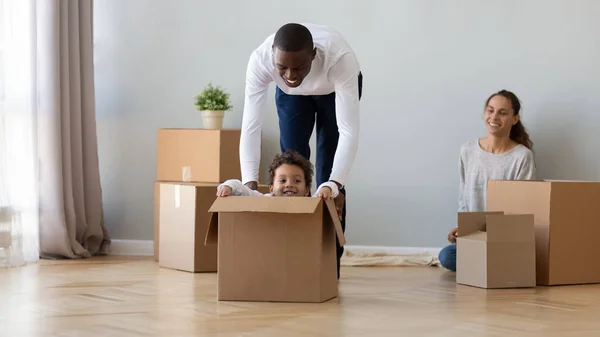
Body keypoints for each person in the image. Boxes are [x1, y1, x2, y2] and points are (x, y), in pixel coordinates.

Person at [239, 23, 363, 278]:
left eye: (298, 67)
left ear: (314, 56)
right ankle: (291, 262)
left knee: (328, 177)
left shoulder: (340, 59)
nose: (291, 74)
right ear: (272, 55)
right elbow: (251, 126)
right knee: (290, 173)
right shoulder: (261, 60)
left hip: (333, 91)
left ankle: (328, 270)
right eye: (282, 67)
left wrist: (336, 183)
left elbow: (348, 132)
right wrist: (248, 183)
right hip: (291, 96)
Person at [438, 90, 537, 272]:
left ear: (515, 119)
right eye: (490, 110)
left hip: (505, 236)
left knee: (516, 256)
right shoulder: (468, 150)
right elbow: (464, 194)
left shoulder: (522, 156)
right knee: (446, 256)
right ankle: (491, 265)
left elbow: (524, 205)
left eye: (503, 112)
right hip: (475, 236)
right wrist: (462, 228)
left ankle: (488, 265)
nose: (494, 117)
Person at [217, 150, 339, 199]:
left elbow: (331, 188)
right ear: (271, 189)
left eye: (297, 181)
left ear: (307, 190)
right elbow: (241, 188)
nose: (289, 185)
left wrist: (326, 188)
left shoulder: (311, 203)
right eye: (282, 181)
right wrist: (227, 187)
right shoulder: (264, 200)